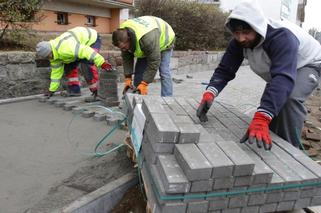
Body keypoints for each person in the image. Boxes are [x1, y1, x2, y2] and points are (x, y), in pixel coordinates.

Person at [197, 0, 321, 150]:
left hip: (309, 63)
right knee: (272, 105)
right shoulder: (238, 42)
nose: (241, 38)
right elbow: (225, 70)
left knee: (289, 98)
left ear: (258, 28)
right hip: (281, 69)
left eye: (246, 32)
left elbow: (283, 77)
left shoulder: (281, 37)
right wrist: (210, 93)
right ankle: (273, 142)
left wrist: (261, 117)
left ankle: (291, 151)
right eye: (237, 33)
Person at [36, 26, 112, 98]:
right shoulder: (54, 57)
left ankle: (97, 92)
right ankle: (74, 90)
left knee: (86, 65)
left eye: (48, 56)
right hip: (78, 45)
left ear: (50, 51)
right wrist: (51, 90)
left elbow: (86, 51)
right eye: (46, 57)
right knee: (69, 65)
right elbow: (56, 74)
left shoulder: (65, 47)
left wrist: (102, 62)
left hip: (91, 39)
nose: (49, 58)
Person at [112, 16, 175, 96]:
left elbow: (154, 62)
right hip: (148, 41)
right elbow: (126, 58)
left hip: (165, 41)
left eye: (124, 47)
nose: (123, 50)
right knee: (139, 71)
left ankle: (167, 99)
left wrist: (145, 83)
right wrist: (128, 77)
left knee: (164, 71)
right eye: (121, 48)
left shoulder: (147, 40)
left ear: (129, 39)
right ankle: (137, 97)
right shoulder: (121, 34)